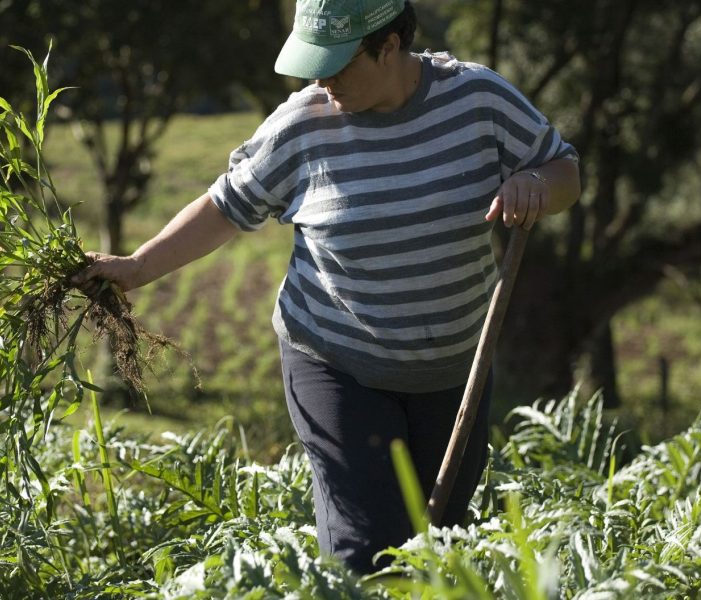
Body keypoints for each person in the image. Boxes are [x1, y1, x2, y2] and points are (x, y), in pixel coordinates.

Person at [69, 0, 581, 574]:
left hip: (453, 373)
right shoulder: (303, 124)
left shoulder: (480, 101)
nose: (323, 81)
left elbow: (563, 169)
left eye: (337, 65)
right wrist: (138, 266)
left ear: (388, 47)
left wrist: (535, 184)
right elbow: (226, 206)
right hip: (339, 364)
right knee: (368, 556)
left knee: (441, 554)